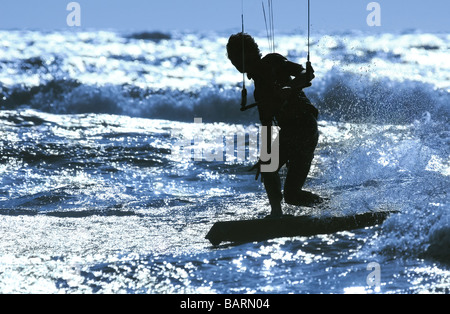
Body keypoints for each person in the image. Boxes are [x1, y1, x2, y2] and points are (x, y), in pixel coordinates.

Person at [227, 33, 323, 217]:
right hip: (289, 132)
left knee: (286, 187)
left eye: (237, 57)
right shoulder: (258, 93)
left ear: (249, 53)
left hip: (304, 126)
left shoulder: (273, 62)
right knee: (279, 180)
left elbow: (306, 74)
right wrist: (265, 157)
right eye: (232, 59)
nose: (235, 62)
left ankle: (329, 211)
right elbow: (266, 127)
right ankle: (278, 214)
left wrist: (291, 87)